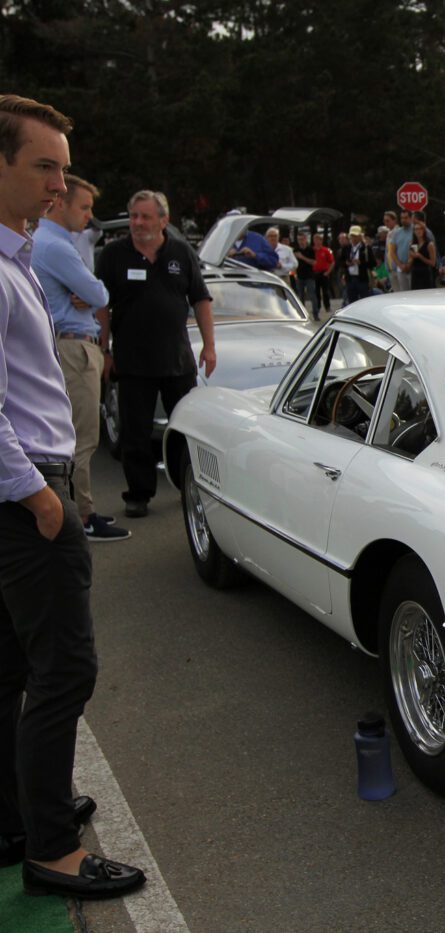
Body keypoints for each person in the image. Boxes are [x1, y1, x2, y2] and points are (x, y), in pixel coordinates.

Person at [0, 93, 146, 901]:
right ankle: (53, 847)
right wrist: (40, 497)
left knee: (13, 666)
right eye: (42, 165)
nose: (59, 182)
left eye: (62, 166)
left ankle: (20, 815)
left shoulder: (20, 254)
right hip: (26, 493)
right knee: (64, 669)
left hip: (27, 488)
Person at [95, 190, 214, 517]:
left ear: (164, 220)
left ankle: (189, 487)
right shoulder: (113, 255)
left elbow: (201, 299)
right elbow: (101, 305)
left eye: (145, 216)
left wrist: (210, 346)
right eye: (134, 216)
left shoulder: (181, 252)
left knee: (187, 431)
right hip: (132, 362)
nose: (137, 223)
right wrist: (103, 350)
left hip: (177, 361)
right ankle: (138, 494)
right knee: (135, 434)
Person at [31, 174, 128, 541]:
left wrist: (87, 290)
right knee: (83, 439)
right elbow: (99, 293)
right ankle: (82, 518)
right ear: (60, 203)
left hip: (65, 345)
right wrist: (89, 289)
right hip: (75, 347)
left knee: (69, 436)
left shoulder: (43, 241)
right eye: (84, 207)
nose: (89, 215)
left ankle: (73, 513)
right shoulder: (56, 246)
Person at [338, 224, 375, 303]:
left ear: (360, 236)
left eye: (356, 236)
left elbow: (373, 263)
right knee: (351, 301)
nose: (354, 238)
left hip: (362, 279)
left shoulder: (366, 248)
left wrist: (361, 263)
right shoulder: (346, 248)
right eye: (352, 236)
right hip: (350, 279)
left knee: (364, 301)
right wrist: (347, 263)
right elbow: (340, 262)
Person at [406, 217, 437, 290]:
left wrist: (420, 256)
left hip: (425, 273)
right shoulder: (412, 244)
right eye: (416, 229)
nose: (418, 231)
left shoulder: (429, 244)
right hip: (415, 272)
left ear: (424, 231)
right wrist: (411, 257)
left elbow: (433, 263)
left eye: (420, 229)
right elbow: (409, 261)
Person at [387, 210, 413, 294]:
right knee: (403, 294)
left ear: (411, 218)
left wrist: (409, 264)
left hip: (412, 266)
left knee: (414, 293)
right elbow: (392, 251)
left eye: (406, 218)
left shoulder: (415, 230)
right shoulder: (397, 233)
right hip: (400, 268)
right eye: (402, 218)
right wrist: (400, 265)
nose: (403, 220)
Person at [292, 229, 317, 311]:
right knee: (300, 296)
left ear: (306, 239)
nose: (301, 241)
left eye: (302, 239)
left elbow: (313, 262)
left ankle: (315, 314)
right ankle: (302, 313)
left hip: (309, 276)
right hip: (299, 276)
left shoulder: (311, 250)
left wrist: (302, 257)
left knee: (312, 295)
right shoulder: (295, 250)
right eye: (299, 240)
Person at [311, 232, 334, 319]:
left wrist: (328, 272)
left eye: (318, 239)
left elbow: (332, 262)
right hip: (314, 273)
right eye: (315, 239)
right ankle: (318, 307)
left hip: (324, 273)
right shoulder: (312, 250)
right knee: (316, 292)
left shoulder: (326, 250)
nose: (317, 241)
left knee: (325, 291)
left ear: (321, 240)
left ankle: (327, 306)